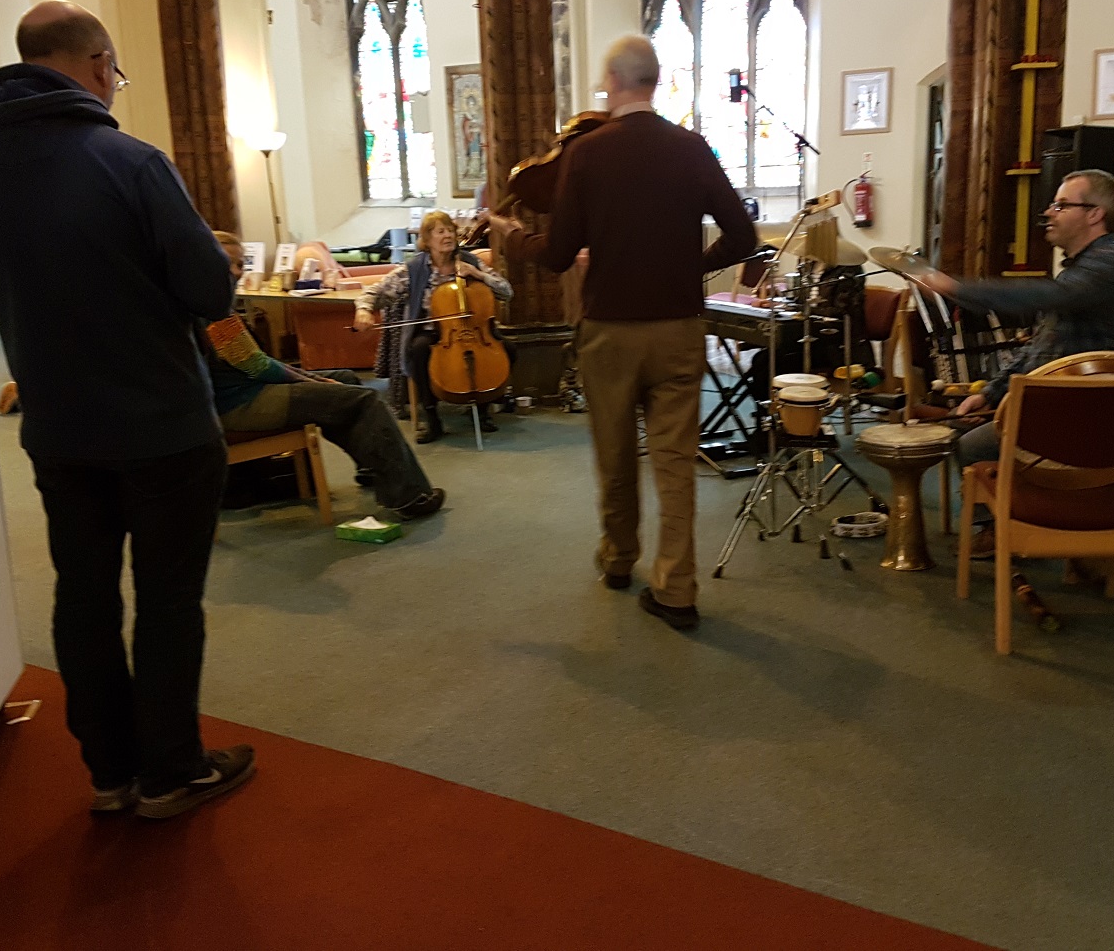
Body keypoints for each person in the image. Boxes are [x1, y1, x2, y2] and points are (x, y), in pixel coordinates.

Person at [0, 0, 253, 820]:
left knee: (83, 597)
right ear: (98, 63)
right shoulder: (131, 161)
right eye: (114, 73)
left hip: (58, 428)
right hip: (163, 426)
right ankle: (171, 771)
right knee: (168, 601)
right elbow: (209, 289)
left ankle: (110, 772)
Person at [490, 35, 757, 631]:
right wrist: (691, 268)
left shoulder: (588, 153)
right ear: (655, 81)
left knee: (615, 455)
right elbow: (744, 236)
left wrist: (511, 236)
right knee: (675, 462)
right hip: (679, 329)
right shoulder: (691, 147)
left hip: (609, 332)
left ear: (611, 81)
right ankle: (677, 588)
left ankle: (618, 558)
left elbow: (559, 254)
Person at [915, 168, 1114, 555]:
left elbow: (1044, 296)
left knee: (972, 445)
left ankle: (1007, 529)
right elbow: (1040, 348)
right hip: (1067, 402)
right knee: (961, 425)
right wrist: (991, 394)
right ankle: (1015, 519)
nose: (1049, 213)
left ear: (1095, 214)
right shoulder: (1082, 269)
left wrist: (955, 287)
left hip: (1096, 416)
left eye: (1061, 205)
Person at [208, 233, 444, 518]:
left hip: (245, 390)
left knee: (345, 378)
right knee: (364, 400)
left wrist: (315, 380)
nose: (238, 271)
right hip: (240, 403)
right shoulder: (212, 312)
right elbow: (258, 367)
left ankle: (372, 468)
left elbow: (256, 364)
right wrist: (313, 381)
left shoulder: (213, 303)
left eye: (240, 264)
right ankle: (408, 497)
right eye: (230, 264)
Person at [353, 210, 513, 444]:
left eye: (450, 230)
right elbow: (376, 291)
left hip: (475, 329)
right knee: (418, 350)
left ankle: (481, 408)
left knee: (508, 349)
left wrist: (478, 274)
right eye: (440, 232)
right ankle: (432, 417)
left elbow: (506, 292)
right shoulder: (414, 269)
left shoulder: (469, 261)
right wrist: (364, 309)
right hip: (435, 332)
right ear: (427, 240)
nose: (447, 235)